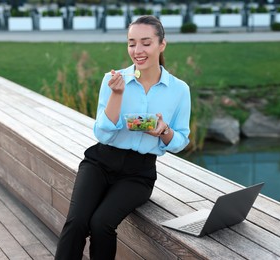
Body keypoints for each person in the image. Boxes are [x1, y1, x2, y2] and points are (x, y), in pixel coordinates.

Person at [55, 15, 191, 260]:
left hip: (139, 174)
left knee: (101, 223)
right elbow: (101, 132)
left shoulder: (179, 90)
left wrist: (164, 131)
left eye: (146, 43)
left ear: (162, 45)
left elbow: (181, 141)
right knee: (77, 223)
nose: (137, 50)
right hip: (100, 162)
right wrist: (117, 94)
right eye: (131, 43)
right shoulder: (113, 80)